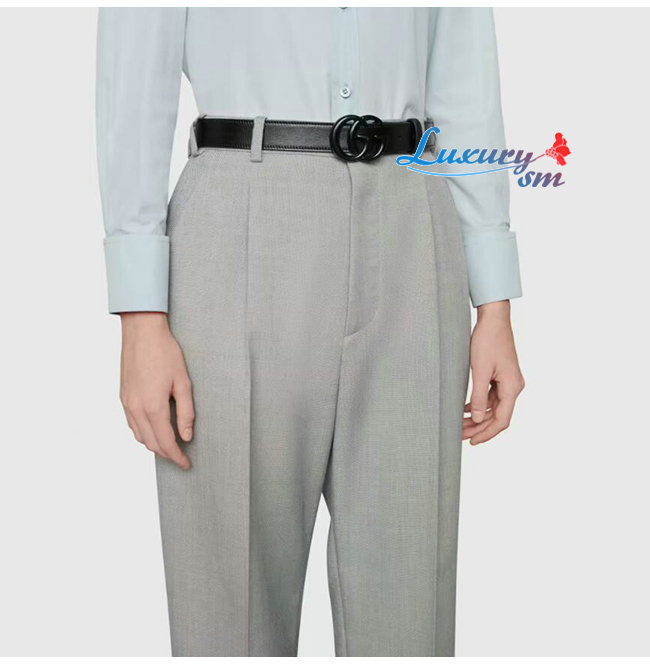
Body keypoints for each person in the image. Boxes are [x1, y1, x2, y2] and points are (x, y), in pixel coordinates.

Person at [96, 7, 525, 657]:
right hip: (240, 212)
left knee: (410, 604)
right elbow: (135, 77)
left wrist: (494, 302)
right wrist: (140, 317)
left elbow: (465, 75)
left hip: (412, 215)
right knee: (229, 616)